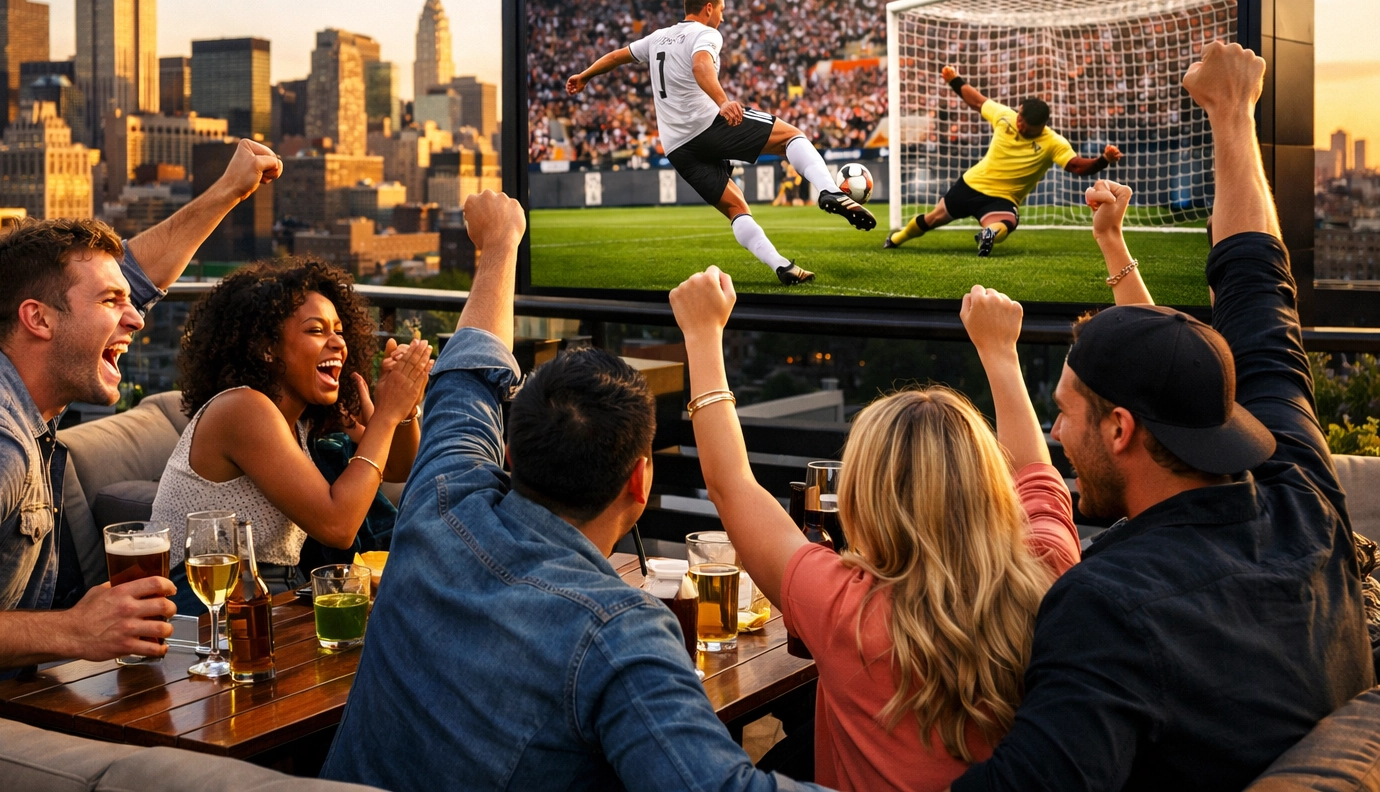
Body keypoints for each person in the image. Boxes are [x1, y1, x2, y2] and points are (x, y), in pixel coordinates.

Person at [950, 42, 1376, 792]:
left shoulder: (1108, 607)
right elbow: (1257, 292)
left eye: (1066, 416)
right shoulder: (1303, 495)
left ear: (1120, 430)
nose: (1056, 434)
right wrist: (1233, 117)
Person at [321, 189, 826, 792]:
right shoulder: (620, 634)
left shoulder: (441, 504)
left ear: (508, 454)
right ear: (640, 483)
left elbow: (467, 376)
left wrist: (500, 248)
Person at [0, 139, 282, 706]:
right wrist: (76, 630)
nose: (135, 318)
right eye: (111, 302)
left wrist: (228, 192)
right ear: (38, 319)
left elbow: (125, 284)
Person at [669, 268, 1079, 791]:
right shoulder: (1051, 569)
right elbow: (1036, 479)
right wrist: (1001, 353)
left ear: (864, 500)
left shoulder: (845, 608)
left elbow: (732, 487)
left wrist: (701, 336)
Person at [149, 256, 431, 611]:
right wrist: (387, 413)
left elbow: (395, 467)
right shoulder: (242, 409)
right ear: (267, 348)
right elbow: (339, 524)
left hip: (270, 593)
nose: (337, 344)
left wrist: (405, 412)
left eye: (339, 331)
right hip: (201, 602)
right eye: (317, 330)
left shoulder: (302, 418)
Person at [566, 0, 877, 288]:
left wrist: (585, 75)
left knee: (735, 208)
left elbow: (616, 56)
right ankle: (829, 190)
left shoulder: (658, 38)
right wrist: (723, 102)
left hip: (677, 147)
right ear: (709, 7)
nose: (723, 18)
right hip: (707, 125)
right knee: (792, 137)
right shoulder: (706, 33)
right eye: (722, 10)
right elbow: (701, 66)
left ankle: (781, 266)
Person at [884, 65, 1122, 256]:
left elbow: (1076, 166)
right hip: (970, 185)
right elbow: (977, 101)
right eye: (1019, 117)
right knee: (933, 218)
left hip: (1002, 198)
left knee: (1007, 222)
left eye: (1024, 124)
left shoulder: (1054, 142)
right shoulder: (1005, 116)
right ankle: (896, 238)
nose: (1019, 123)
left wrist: (1102, 160)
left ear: (1040, 126)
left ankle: (987, 235)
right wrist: (955, 80)